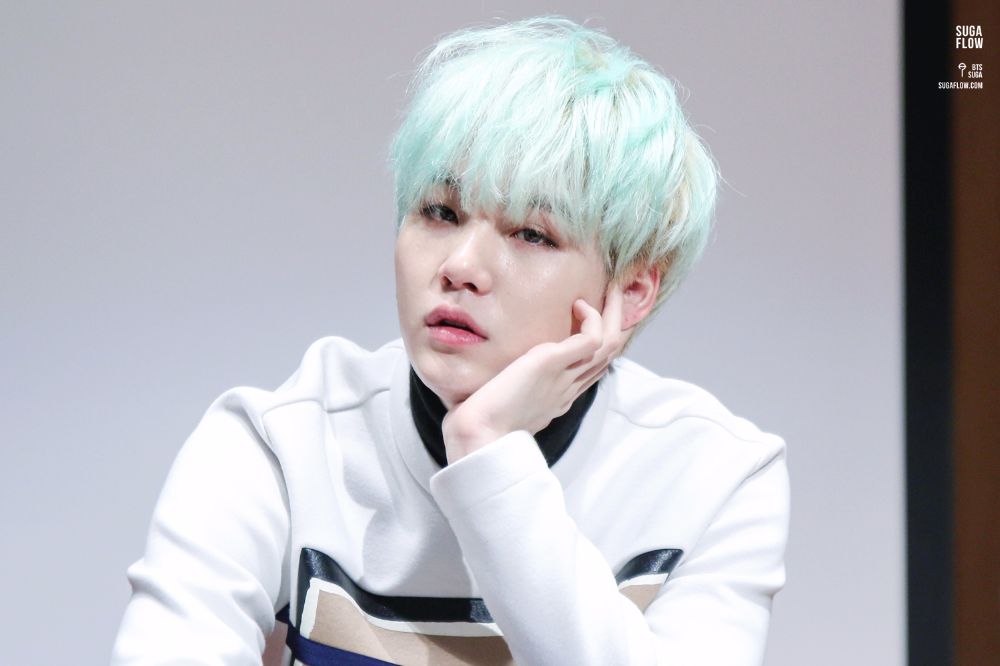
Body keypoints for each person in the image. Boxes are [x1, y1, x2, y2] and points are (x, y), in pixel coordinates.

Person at [112, 16, 788, 666]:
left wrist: (488, 452)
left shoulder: (715, 477)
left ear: (631, 291)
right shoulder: (278, 446)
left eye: (532, 234)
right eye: (440, 212)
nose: (461, 266)